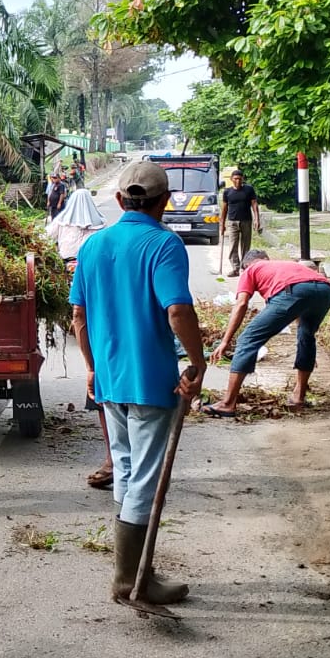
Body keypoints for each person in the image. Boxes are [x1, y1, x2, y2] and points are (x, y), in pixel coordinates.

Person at [70, 159, 206, 608]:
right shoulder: (164, 244)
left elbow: (78, 317)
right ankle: (131, 579)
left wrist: (92, 368)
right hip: (150, 380)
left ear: (118, 199)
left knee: (126, 470)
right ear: (164, 201)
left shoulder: (92, 247)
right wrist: (198, 362)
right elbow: (178, 311)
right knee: (144, 476)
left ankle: (135, 569)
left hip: (109, 378)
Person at [205, 250, 330, 416]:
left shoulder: (251, 270)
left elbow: (241, 304)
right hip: (325, 291)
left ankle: (228, 403)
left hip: (293, 291)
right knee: (306, 336)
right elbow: (302, 298)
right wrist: (308, 354)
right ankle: (299, 396)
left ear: (247, 265)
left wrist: (225, 341)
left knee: (247, 339)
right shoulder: (284, 264)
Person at [45, 187, 117, 490]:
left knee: (105, 398)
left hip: (69, 269)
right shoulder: (101, 231)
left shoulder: (61, 223)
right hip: (102, 315)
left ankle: (114, 461)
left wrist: (90, 365)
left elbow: (46, 239)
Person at [219, 169, 263, 276]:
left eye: (239, 179)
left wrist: (257, 219)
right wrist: (222, 224)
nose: (237, 181)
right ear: (231, 179)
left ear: (243, 179)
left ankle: (244, 267)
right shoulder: (227, 192)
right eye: (235, 179)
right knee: (233, 245)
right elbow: (224, 209)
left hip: (246, 221)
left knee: (245, 245)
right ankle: (235, 268)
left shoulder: (249, 190)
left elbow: (254, 204)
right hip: (232, 222)